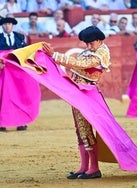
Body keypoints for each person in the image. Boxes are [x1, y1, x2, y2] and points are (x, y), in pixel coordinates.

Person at [41, 26, 111, 179]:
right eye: (86, 44)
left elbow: (80, 65)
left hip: (87, 95)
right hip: (78, 94)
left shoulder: (101, 53)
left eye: (91, 43)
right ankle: (84, 166)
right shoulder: (90, 51)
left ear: (99, 40)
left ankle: (94, 168)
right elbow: (74, 63)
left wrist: (55, 55)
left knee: (85, 129)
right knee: (79, 129)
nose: (88, 46)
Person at [0, 16, 27, 131]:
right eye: (5, 24)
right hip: (2, 72)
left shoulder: (20, 37)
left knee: (19, 96)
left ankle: (21, 122)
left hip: (17, 73)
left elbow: (25, 52)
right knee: (2, 97)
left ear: (12, 25)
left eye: (9, 24)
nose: (7, 26)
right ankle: (2, 123)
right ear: (2, 26)